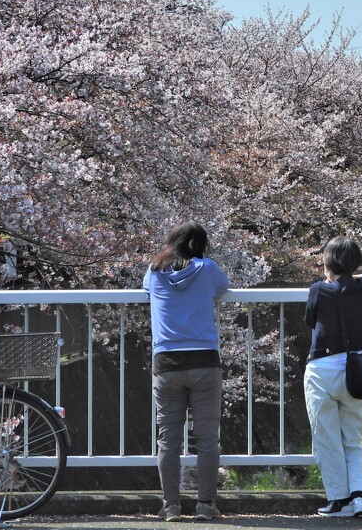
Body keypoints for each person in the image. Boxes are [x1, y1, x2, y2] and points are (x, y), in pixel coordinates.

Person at [143, 221, 230, 522]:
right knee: (207, 438)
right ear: (201, 245)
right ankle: (205, 505)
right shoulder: (207, 269)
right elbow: (223, 287)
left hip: (167, 364)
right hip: (204, 361)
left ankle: (171, 507)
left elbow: (147, 292)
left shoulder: (154, 271)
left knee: (168, 440)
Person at [303, 236, 362, 518]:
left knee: (326, 438)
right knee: (353, 436)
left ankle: (338, 500)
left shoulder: (317, 289)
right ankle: (360, 496)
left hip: (321, 371)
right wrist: (354, 277)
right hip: (354, 371)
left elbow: (310, 319)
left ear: (326, 260)